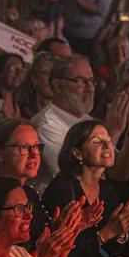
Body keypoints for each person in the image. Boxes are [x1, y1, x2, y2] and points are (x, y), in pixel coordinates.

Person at [41, 120, 129, 257]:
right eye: (97, 141)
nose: (108, 145)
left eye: (108, 140)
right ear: (77, 153)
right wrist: (106, 233)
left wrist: (120, 232)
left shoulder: (108, 192)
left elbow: (107, 255)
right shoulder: (63, 189)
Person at [30, 55, 95, 192]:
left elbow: (119, 173)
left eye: (91, 81)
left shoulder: (87, 119)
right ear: (57, 85)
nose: (90, 88)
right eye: (80, 81)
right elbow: (71, 179)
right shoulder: (46, 124)